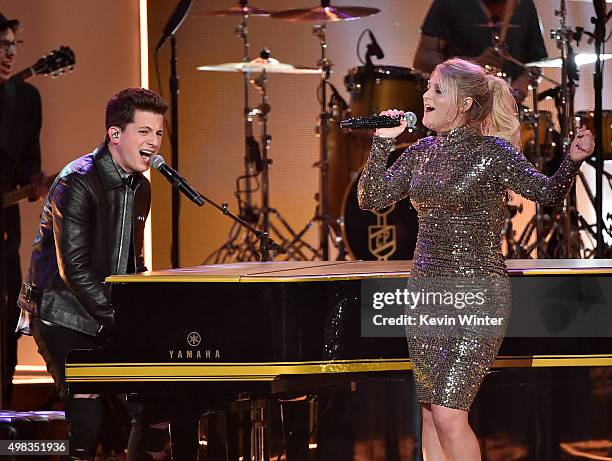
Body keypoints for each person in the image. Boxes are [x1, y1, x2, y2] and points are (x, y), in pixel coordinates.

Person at [357, 58, 593, 460]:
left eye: (436, 90)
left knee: (449, 414)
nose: (425, 97)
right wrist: (381, 141)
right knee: (430, 414)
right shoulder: (420, 152)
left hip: (478, 291)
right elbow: (371, 198)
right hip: (426, 292)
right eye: (427, 88)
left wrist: (571, 160)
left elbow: (546, 193)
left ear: (465, 104)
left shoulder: (493, 153)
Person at [17, 87, 166, 460]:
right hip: (62, 312)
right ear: (115, 134)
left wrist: (146, 314)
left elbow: (134, 264)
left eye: (159, 133)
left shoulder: (141, 188)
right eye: (144, 132)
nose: (154, 141)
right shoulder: (76, 181)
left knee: (150, 406)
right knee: (86, 422)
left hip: (105, 314)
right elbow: (75, 270)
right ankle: (23, 450)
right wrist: (123, 322)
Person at [0, 11, 44, 406]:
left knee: (6, 316)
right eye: (2, 44)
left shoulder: (26, 98)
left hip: (4, 230)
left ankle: (4, 407)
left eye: (14, 45)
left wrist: (34, 183)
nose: (9, 53)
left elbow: (30, 160)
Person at [413, 0, 548, 101]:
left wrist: (522, 85)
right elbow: (422, 59)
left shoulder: (525, 4)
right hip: (458, 106)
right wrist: (470, 66)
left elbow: (537, 63)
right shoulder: (448, 3)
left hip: (507, 112)